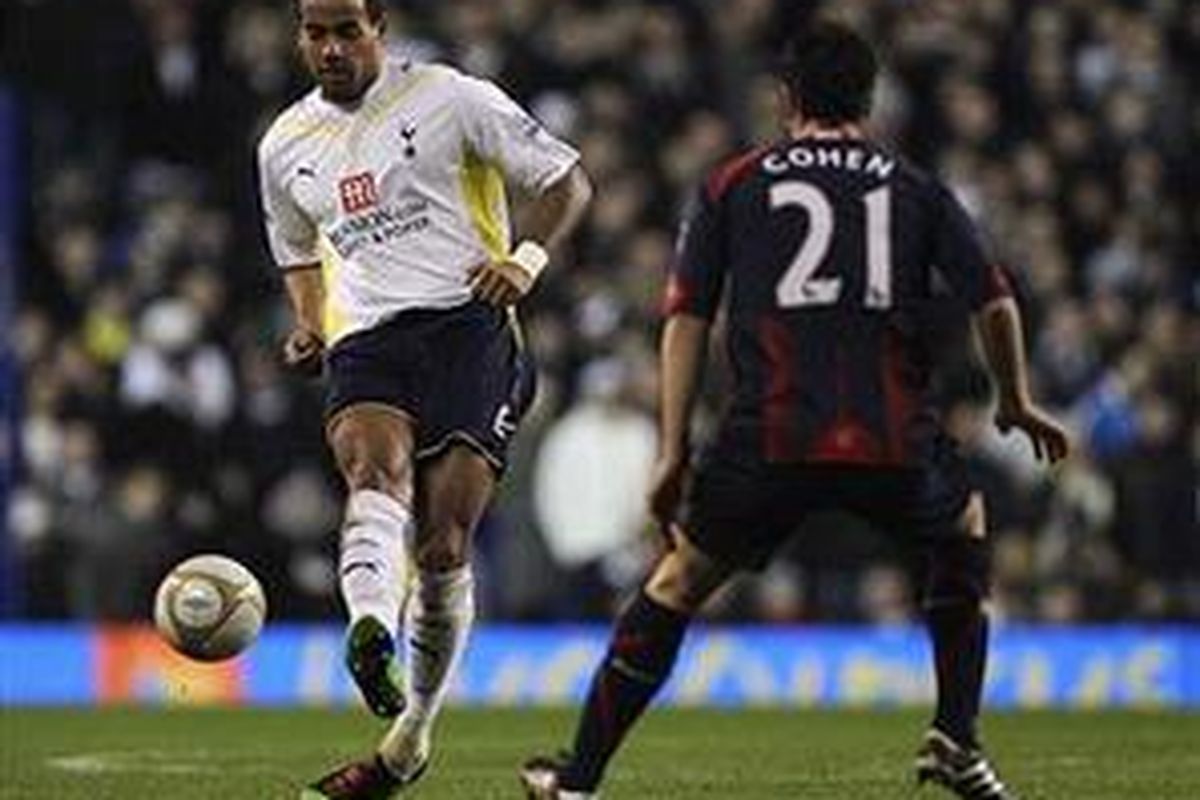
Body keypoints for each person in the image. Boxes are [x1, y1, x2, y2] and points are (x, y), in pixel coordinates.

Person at [520, 20, 1068, 800]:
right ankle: (957, 736)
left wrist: (672, 447)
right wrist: (1015, 400)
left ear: (786, 99)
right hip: (892, 438)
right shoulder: (915, 186)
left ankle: (578, 781)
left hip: (771, 437)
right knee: (964, 529)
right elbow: (996, 301)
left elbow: (687, 319)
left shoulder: (733, 184)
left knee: (675, 585)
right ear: (869, 102)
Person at [256, 0, 592, 797]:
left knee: (442, 546)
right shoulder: (283, 145)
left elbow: (568, 181)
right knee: (372, 470)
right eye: (314, 32)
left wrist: (526, 260)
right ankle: (370, 625)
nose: (329, 48)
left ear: (379, 25)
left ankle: (408, 742)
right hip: (367, 337)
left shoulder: (451, 97)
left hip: (471, 326)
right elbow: (296, 246)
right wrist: (310, 324)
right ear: (300, 35)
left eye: (345, 30)